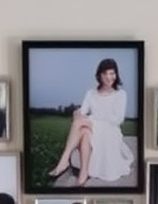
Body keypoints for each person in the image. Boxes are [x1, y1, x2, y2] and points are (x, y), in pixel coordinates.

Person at [46, 57, 134, 188]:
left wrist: (91, 118)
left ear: (116, 74)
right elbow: (83, 111)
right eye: (105, 74)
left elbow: (118, 120)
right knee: (84, 131)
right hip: (93, 128)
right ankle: (83, 175)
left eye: (112, 73)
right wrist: (77, 112)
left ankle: (64, 160)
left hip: (111, 131)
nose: (109, 77)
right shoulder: (91, 93)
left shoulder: (121, 94)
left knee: (81, 123)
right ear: (99, 75)